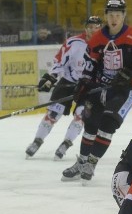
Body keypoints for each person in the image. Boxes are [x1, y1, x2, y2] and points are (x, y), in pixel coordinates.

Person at [61, 0, 132, 184]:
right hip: (99, 88)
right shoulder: (98, 38)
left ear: (123, 16)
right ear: (106, 15)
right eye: (111, 14)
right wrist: (84, 83)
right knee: (90, 125)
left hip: (123, 91)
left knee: (108, 124)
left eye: (118, 14)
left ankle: (91, 163)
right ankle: (82, 162)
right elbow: (90, 63)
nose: (114, 18)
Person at [26, 15, 103, 160]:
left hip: (88, 87)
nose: (93, 30)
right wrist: (51, 78)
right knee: (53, 114)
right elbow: (59, 61)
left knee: (81, 116)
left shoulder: (104, 45)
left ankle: (65, 144)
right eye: (90, 27)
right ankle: (37, 141)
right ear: (85, 28)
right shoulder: (74, 42)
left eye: (97, 28)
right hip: (68, 82)